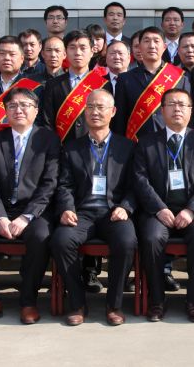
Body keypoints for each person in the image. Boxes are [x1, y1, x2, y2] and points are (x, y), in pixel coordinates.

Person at [0, 87, 60, 327]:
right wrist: (0, 217)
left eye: (25, 105)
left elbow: (50, 184)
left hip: (33, 211)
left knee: (41, 235)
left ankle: (28, 301)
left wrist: (27, 217)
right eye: (13, 106)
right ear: (5, 111)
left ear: (36, 111)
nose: (19, 110)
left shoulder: (48, 139)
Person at [51, 89, 138, 326]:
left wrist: (126, 207)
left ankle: (114, 305)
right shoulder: (71, 148)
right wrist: (66, 208)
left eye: (101, 107)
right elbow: (64, 184)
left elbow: (135, 185)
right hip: (82, 213)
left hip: (114, 212)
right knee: (61, 240)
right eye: (90, 107)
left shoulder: (127, 147)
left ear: (113, 112)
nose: (95, 112)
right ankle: (77, 304)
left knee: (126, 241)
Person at [132, 88, 194, 322]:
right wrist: (159, 208)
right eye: (171, 104)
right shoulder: (146, 142)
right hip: (158, 210)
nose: (177, 109)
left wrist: (191, 210)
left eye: (182, 104)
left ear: (190, 110)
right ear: (162, 111)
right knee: (151, 238)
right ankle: (157, 300)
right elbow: (140, 179)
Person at [113, 26, 191, 141]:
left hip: (170, 140)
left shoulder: (180, 77)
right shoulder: (125, 79)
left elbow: (188, 113)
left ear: (164, 47)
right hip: (136, 142)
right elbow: (120, 119)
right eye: (147, 41)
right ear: (139, 47)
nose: (152, 45)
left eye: (156, 41)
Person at [41, 30, 108, 144]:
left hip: (93, 146)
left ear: (92, 51)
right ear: (66, 52)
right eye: (72, 48)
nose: (77, 53)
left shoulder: (103, 84)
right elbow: (48, 121)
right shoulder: (53, 85)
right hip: (62, 147)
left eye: (83, 48)